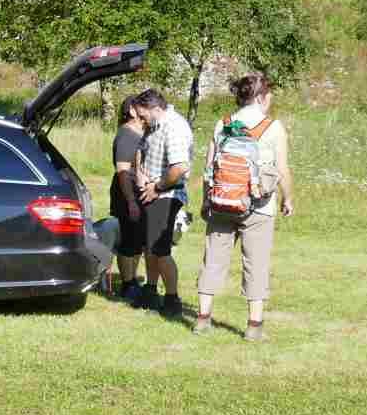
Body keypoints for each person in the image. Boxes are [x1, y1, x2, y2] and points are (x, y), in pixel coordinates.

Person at [195, 72, 295, 341]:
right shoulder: (273, 127)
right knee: (256, 263)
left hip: (222, 202)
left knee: (213, 260)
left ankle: (202, 319)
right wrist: (288, 198)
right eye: (270, 94)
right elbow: (282, 169)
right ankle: (254, 326)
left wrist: (207, 199)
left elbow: (208, 168)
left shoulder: (223, 124)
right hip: (259, 206)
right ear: (261, 97)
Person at [133, 88, 194, 318]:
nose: (140, 121)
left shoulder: (174, 127)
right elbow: (141, 148)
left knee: (160, 250)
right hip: (151, 191)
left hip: (167, 195)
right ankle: (150, 292)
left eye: (142, 116)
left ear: (156, 109)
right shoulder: (154, 124)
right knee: (150, 247)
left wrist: (157, 187)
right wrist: (139, 172)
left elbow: (179, 168)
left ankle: (172, 300)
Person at [109, 93, 148, 302]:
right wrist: (131, 201)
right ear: (132, 111)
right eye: (139, 106)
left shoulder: (142, 132)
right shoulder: (125, 135)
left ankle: (133, 280)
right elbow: (122, 171)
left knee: (138, 241)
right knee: (128, 240)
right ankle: (127, 284)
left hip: (139, 193)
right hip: (127, 194)